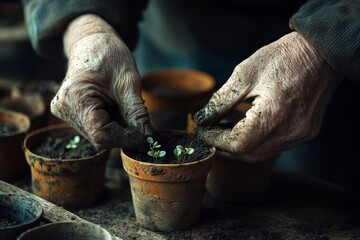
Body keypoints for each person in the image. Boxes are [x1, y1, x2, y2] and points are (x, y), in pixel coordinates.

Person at [21, 1, 360, 191]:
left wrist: (321, 47)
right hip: (169, 33)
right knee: (152, 121)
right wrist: (86, 28)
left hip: (330, 40)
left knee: (304, 188)